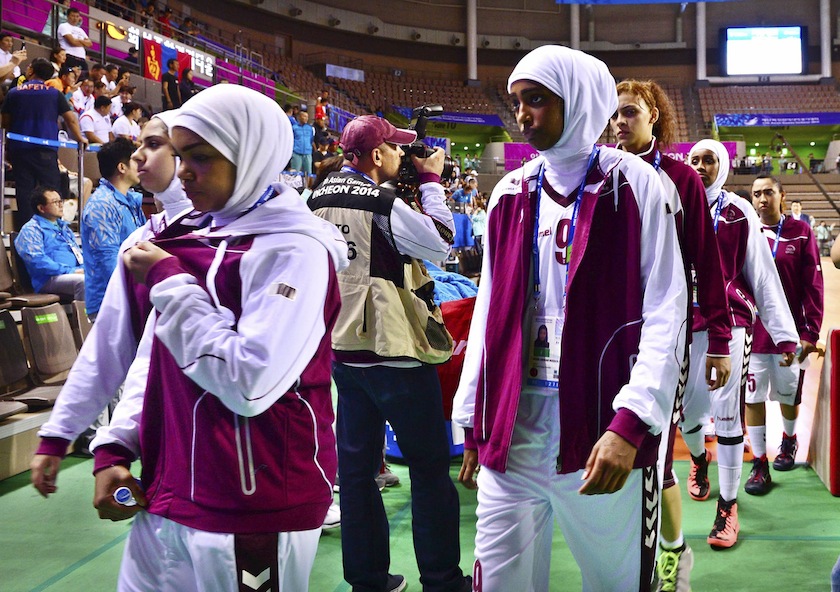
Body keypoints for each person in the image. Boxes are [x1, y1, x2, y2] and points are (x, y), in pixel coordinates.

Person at [89, 84, 348, 592]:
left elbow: (247, 382)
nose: (183, 171)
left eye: (201, 157)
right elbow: (154, 358)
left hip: (252, 501)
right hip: (170, 487)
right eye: (181, 155)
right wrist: (115, 448)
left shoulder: (295, 250)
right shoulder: (188, 240)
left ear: (250, 156)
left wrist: (169, 283)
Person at [451, 45, 686, 591]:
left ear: (578, 100)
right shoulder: (509, 192)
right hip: (514, 425)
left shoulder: (636, 184)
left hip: (600, 427)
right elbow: (489, 311)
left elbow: (666, 311)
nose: (522, 113)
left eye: (536, 100)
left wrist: (631, 421)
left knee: (614, 582)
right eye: (516, 102)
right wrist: (472, 417)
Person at [309, 114, 471, 592]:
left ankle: (368, 579)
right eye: (397, 149)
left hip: (343, 352)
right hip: (395, 353)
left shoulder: (312, 197)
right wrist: (432, 181)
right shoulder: (383, 202)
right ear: (376, 156)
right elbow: (443, 243)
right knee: (427, 469)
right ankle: (441, 579)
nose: (403, 156)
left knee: (356, 474)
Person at [30, 111, 194, 497]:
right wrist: (60, 433)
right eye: (140, 144)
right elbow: (113, 349)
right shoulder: (143, 237)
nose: (138, 156)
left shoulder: (242, 236)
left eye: (153, 145)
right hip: (166, 453)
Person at [611, 79, 732, 591]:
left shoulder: (681, 178)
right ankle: (628, 551)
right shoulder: (603, 172)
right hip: (611, 333)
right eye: (615, 115)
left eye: (630, 113)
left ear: (654, 117)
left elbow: (707, 258)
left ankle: (672, 556)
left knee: (654, 448)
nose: (620, 123)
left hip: (666, 333)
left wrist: (722, 338)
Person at [682, 140, 798, 548]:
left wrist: (783, 333)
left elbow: (762, 273)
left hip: (730, 324)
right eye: (694, 159)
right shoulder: (675, 204)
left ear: (724, 165)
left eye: (709, 159)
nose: (700, 166)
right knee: (688, 414)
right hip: (682, 323)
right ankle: (699, 459)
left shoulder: (738, 211)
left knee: (727, 413)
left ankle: (728, 506)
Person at [744, 175, 823, 495]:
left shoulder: (801, 233)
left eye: (769, 193)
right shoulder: (745, 231)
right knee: (753, 396)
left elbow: (812, 287)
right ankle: (759, 460)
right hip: (751, 334)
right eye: (756, 194)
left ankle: (789, 440)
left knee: (788, 396)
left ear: (782, 196)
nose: (762, 199)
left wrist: (809, 332)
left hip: (790, 335)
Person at [1, 57, 87, 228]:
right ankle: (53, 228)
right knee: (51, 191)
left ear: (31, 71)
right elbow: (70, 119)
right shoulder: (55, 94)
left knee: (25, 192)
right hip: (46, 152)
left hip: (20, 150)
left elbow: (5, 122)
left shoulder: (14, 92)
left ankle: (26, 231)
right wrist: (80, 138)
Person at [81, 138, 145, 320]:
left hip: (130, 296)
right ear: (122, 167)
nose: (141, 164)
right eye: (135, 160)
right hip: (110, 303)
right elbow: (108, 260)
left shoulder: (130, 201)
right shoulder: (102, 205)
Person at [14, 187, 85, 301]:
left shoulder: (65, 228)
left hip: (72, 273)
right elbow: (37, 261)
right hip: (48, 279)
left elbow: (77, 254)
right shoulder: (31, 229)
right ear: (41, 208)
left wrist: (85, 268)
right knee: (83, 282)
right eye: (55, 202)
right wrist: (70, 271)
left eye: (60, 201)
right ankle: (86, 318)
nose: (61, 205)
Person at [57, 8, 92, 72]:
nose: (75, 18)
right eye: (73, 16)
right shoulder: (63, 26)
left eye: (77, 16)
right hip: (69, 56)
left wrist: (78, 40)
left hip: (81, 59)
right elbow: (72, 42)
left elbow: (89, 44)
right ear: (68, 16)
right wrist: (83, 42)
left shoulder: (80, 30)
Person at [290, 109, 315, 178]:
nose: (306, 118)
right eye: (304, 116)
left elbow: (311, 139)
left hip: (307, 153)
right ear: (299, 117)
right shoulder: (294, 127)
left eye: (307, 117)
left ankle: (307, 188)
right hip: (296, 152)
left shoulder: (310, 128)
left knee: (308, 174)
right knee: (295, 173)